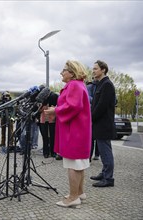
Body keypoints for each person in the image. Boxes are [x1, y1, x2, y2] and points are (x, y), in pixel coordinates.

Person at [45, 60, 91, 207]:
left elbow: (73, 106)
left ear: (71, 72)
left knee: (73, 164)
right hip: (78, 130)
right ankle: (79, 193)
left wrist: (55, 110)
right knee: (79, 164)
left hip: (74, 132)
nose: (61, 73)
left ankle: (73, 198)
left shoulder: (74, 85)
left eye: (64, 70)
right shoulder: (78, 85)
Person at [90, 60, 116, 187]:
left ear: (103, 70)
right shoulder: (101, 84)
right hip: (100, 124)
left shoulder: (107, 85)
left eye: (95, 69)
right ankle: (105, 172)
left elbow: (101, 106)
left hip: (103, 125)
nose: (93, 71)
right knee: (104, 150)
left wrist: (91, 118)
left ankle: (108, 178)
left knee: (105, 152)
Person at [38, 92, 58, 158]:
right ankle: (45, 152)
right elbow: (39, 110)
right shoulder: (42, 101)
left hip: (52, 120)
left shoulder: (54, 100)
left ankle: (53, 152)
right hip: (43, 121)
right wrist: (43, 106)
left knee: (53, 137)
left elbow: (56, 110)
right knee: (45, 137)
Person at [86, 80, 100, 161]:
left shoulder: (104, 85)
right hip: (92, 113)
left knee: (95, 137)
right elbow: (88, 98)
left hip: (95, 114)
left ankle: (95, 155)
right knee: (92, 137)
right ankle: (90, 156)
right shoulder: (90, 87)